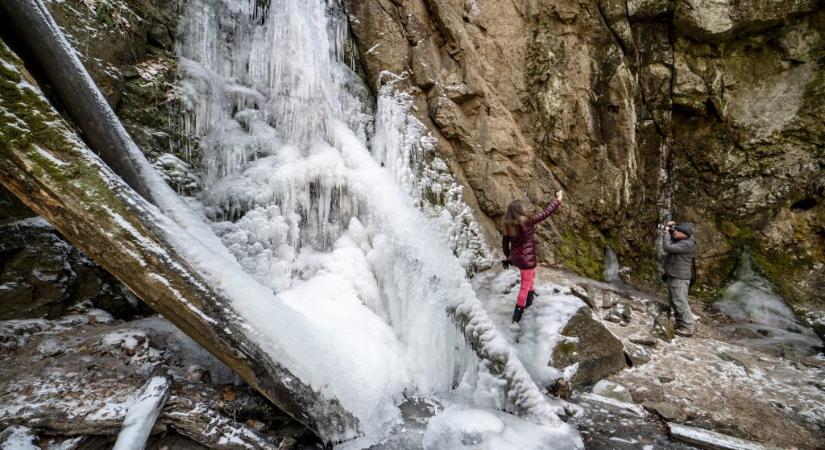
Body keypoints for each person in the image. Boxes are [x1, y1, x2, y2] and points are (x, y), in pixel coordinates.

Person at [501, 190, 564, 323]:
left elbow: (505, 243)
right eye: (522, 207)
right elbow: (546, 212)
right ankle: (516, 319)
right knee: (524, 285)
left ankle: (530, 302)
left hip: (517, 259)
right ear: (519, 210)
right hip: (527, 259)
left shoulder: (508, 224)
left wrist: (507, 256)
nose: (524, 208)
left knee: (530, 278)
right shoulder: (527, 221)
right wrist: (558, 200)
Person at [661, 221, 697, 337]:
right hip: (673, 274)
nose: (675, 232)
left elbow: (668, 247)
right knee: (673, 301)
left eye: (678, 231)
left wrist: (666, 233)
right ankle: (679, 323)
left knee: (680, 302)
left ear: (685, 234)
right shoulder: (682, 238)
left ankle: (687, 327)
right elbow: (674, 236)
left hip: (680, 278)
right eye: (676, 230)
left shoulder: (688, 244)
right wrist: (670, 225)